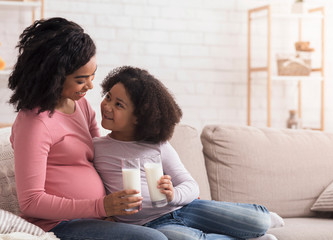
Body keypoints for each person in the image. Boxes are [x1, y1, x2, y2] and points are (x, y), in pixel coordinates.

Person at [8, 17, 167, 240]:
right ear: (53, 77)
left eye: (92, 75)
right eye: (81, 80)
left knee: (168, 231)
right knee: (154, 239)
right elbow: (32, 201)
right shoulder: (34, 124)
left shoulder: (80, 105)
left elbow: (103, 158)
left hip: (97, 218)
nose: (91, 86)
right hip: (58, 224)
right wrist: (101, 207)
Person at [93, 66, 284, 240]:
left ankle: (259, 223)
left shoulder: (157, 146)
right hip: (150, 224)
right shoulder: (97, 148)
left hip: (187, 208)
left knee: (260, 221)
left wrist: (172, 194)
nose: (107, 106)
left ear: (138, 117)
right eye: (108, 97)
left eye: (119, 105)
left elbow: (191, 185)